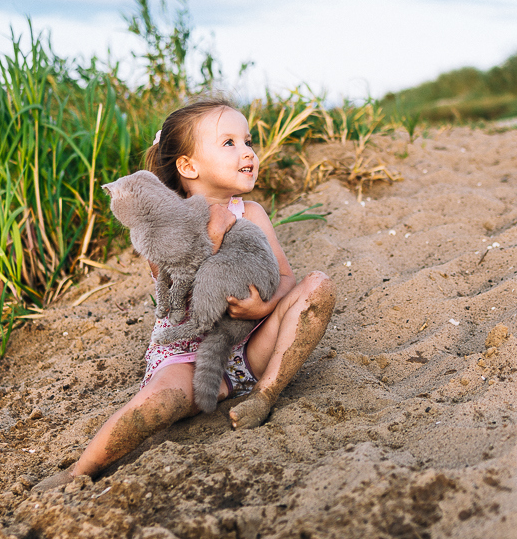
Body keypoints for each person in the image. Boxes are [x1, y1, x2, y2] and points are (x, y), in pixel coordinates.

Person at [34, 98, 335, 491]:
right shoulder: (165, 224)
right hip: (189, 355)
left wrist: (264, 305)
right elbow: (181, 286)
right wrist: (212, 235)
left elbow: (285, 278)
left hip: (250, 349)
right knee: (159, 403)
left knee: (319, 287)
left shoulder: (253, 213)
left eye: (248, 141)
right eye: (229, 143)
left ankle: (264, 395)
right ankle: (79, 471)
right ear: (189, 166)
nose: (248, 151)